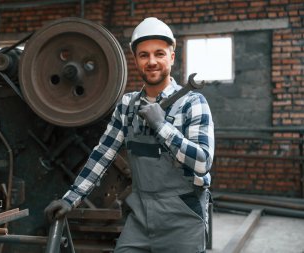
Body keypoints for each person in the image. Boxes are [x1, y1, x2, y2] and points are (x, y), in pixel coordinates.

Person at [45, 17, 214, 253]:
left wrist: (161, 126)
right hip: (140, 216)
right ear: (135, 60)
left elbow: (202, 162)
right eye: (144, 55)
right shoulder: (128, 104)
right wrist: (71, 198)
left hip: (182, 218)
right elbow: (103, 154)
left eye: (159, 53)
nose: (152, 61)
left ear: (172, 57)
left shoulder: (192, 102)